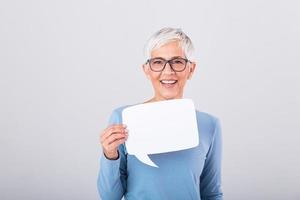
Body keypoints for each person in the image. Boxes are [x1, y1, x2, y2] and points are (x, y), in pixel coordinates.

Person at [97, 27, 223, 200]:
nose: (168, 71)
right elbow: (109, 197)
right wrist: (110, 155)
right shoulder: (123, 118)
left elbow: (211, 193)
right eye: (158, 62)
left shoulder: (209, 125)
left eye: (177, 61)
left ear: (191, 69)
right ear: (146, 70)